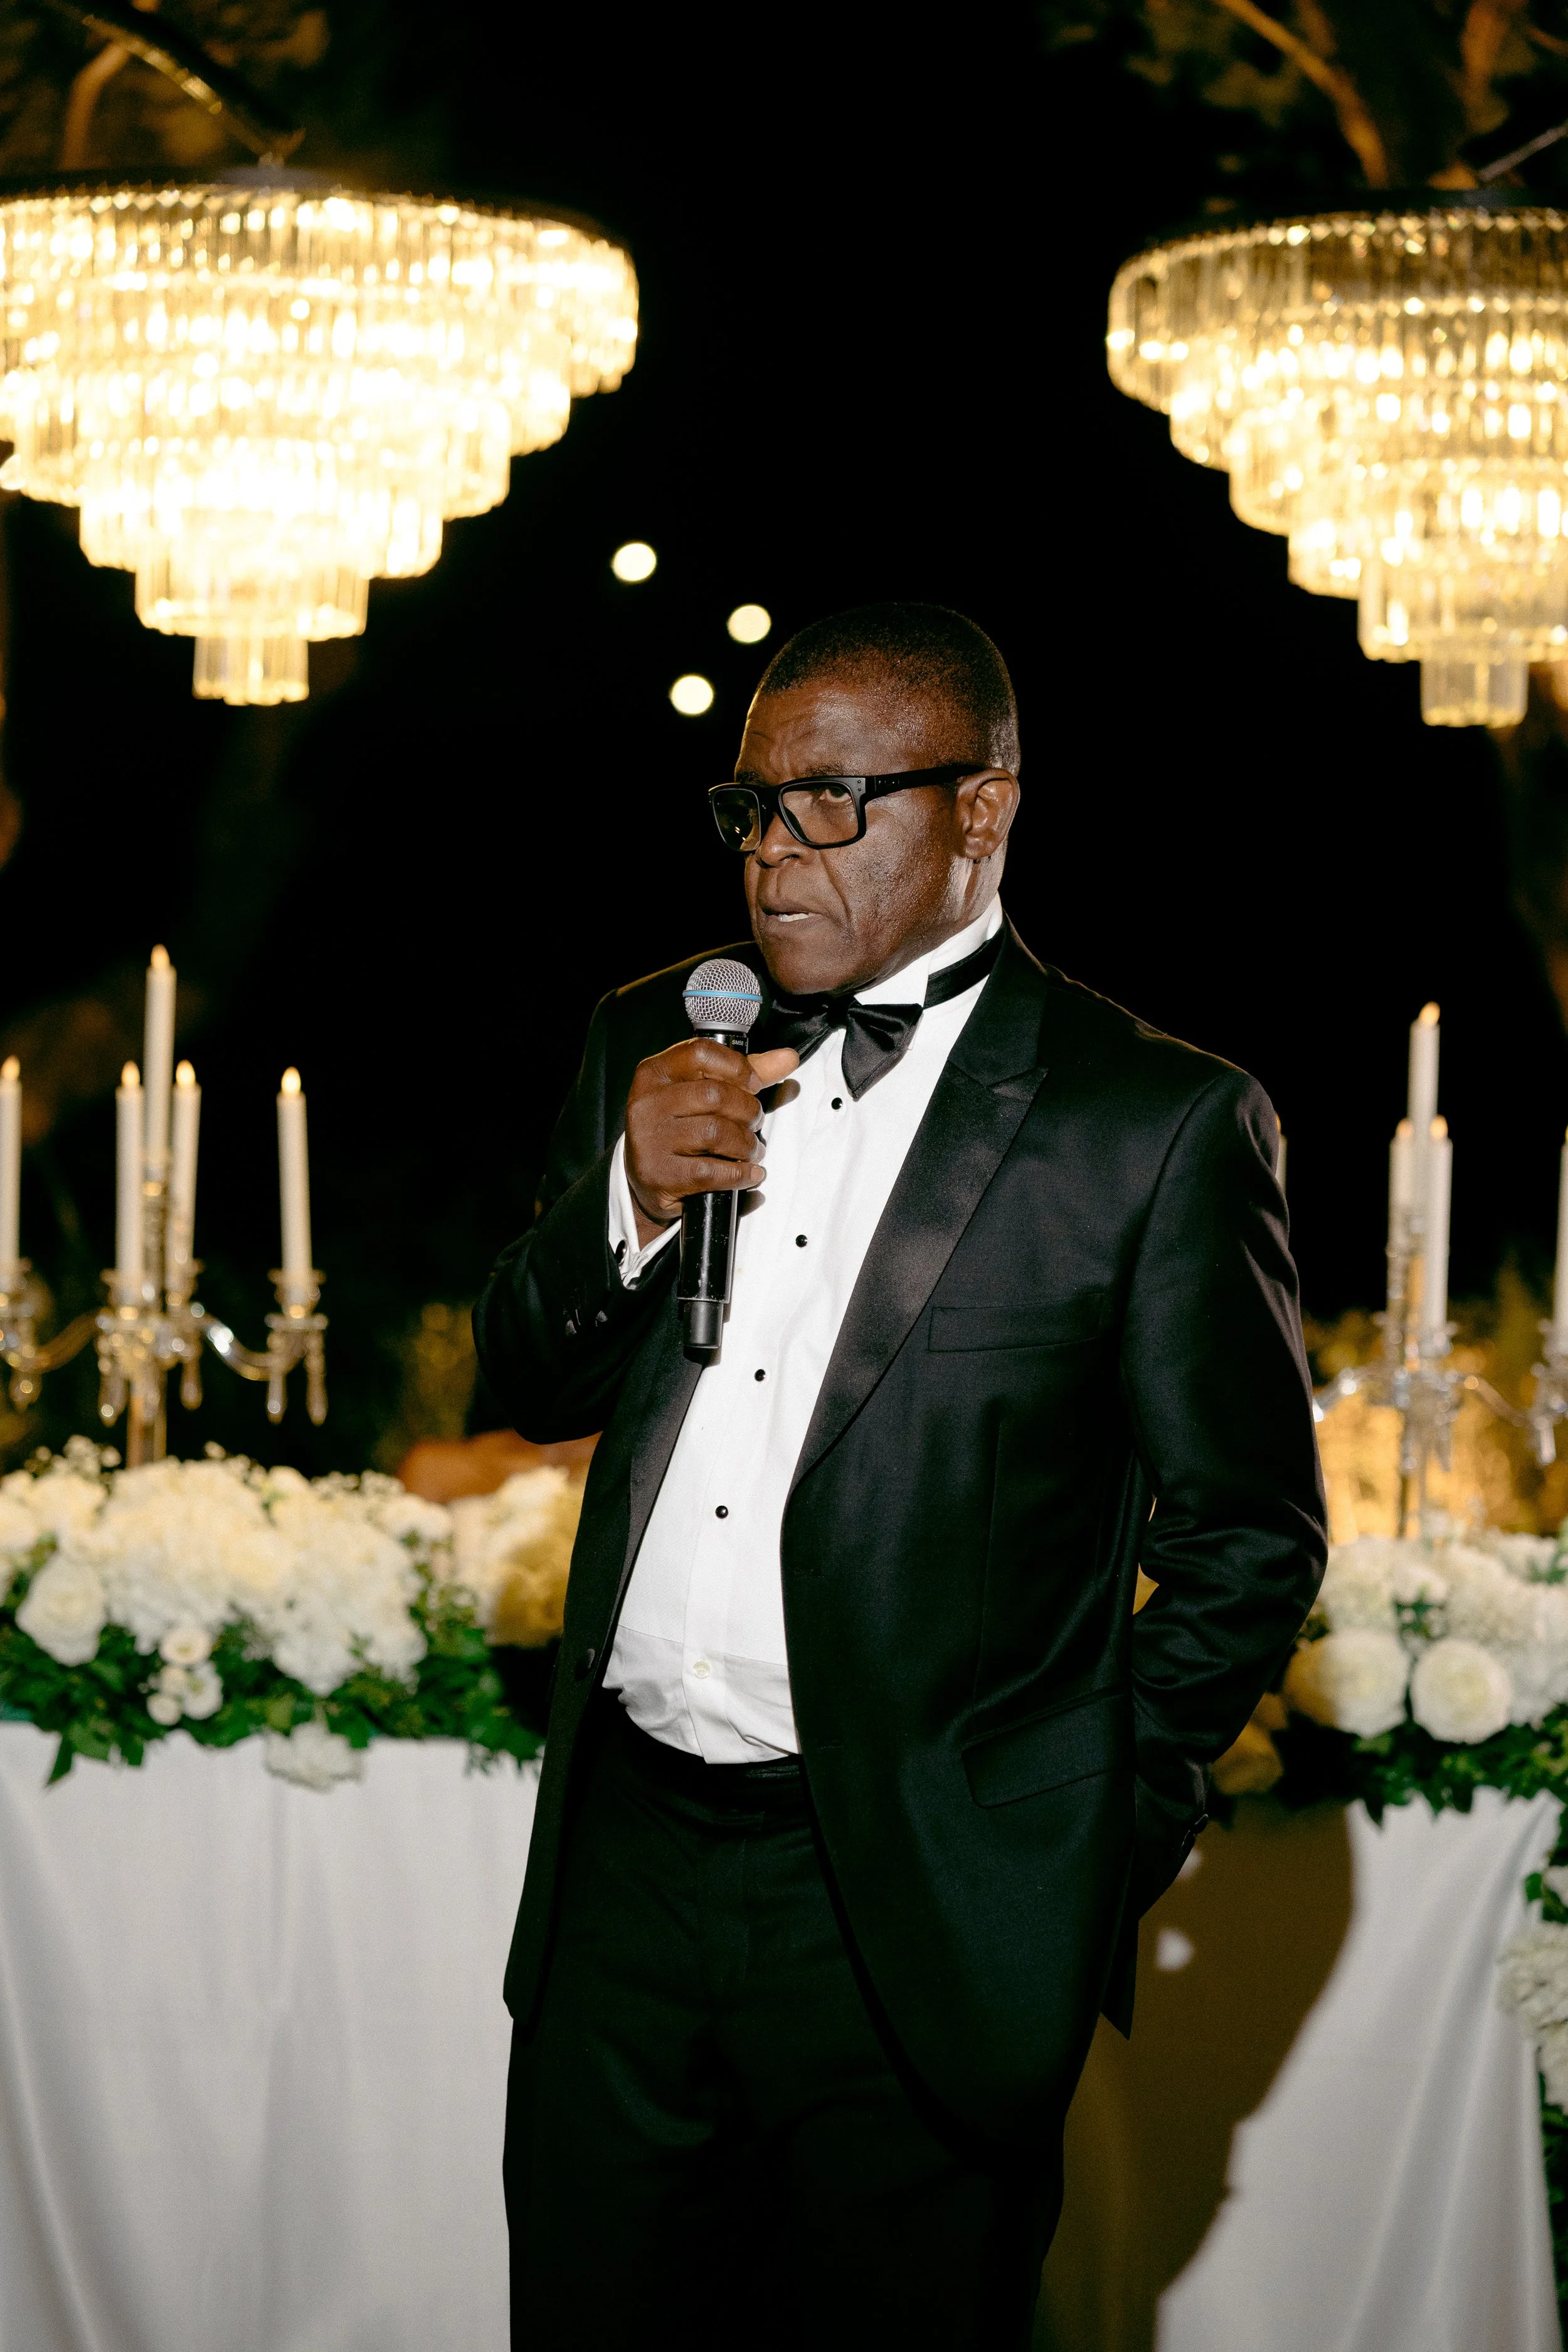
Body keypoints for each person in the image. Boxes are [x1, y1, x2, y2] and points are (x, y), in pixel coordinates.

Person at [474, 601, 1327, 2349]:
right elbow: (522, 1374)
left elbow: (1247, 1537)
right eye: (752, 805)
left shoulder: (1147, 1123)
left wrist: (1077, 1838)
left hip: (915, 1910)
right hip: (624, 1880)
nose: (777, 855)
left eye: (836, 801)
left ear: (986, 811)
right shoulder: (650, 1036)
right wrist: (624, 1206)